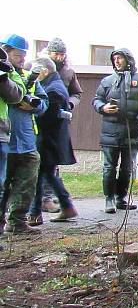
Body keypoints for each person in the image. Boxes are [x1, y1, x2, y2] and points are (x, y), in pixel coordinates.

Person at [92, 48, 138, 214]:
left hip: (133, 131)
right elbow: (96, 100)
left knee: (127, 168)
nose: (117, 61)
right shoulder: (107, 81)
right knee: (109, 167)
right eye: (115, 59)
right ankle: (109, 199)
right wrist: (103, 107)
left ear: (128, 59)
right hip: (110, 131)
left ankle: (121, 198)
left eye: (120, 58)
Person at [0, 34, 48, 235]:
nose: (21, 58)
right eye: (18, 54)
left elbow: (44, 104)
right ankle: (2, 223)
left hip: (27, 140)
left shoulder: (29, 77)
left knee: (27, 183)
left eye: (23, 55)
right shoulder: (5, 75)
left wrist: (33, 106)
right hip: (7, 139)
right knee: (3, 184)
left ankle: (17, 221)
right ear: (7, 52)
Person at [26, 57, 78, 225]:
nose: (33, 75)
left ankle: (36, 213)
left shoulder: (53, 89)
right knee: (46, 175)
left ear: (45, 71)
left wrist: (31, 110)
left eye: (36, 72)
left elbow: (47, 117)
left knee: (41, 175)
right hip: (51, 140)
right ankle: (64, 207)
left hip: (48, 140)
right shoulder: (54, 85)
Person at [39, 37, 83, 213]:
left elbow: (77, 93)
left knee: (50, 163)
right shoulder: (36, 67)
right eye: (56, 53)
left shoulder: (68, 72)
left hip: (57, 122)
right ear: (48, 53)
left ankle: (48, 200)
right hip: (39, 121)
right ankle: (43, 204)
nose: (59, 57)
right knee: (43, 165)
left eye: (62, 54)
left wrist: (69, 103)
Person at [0, 44, 26, 240]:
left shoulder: (9, 70)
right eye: (18, 55)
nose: (22, 58)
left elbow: (16, 94)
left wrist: (2, 77)